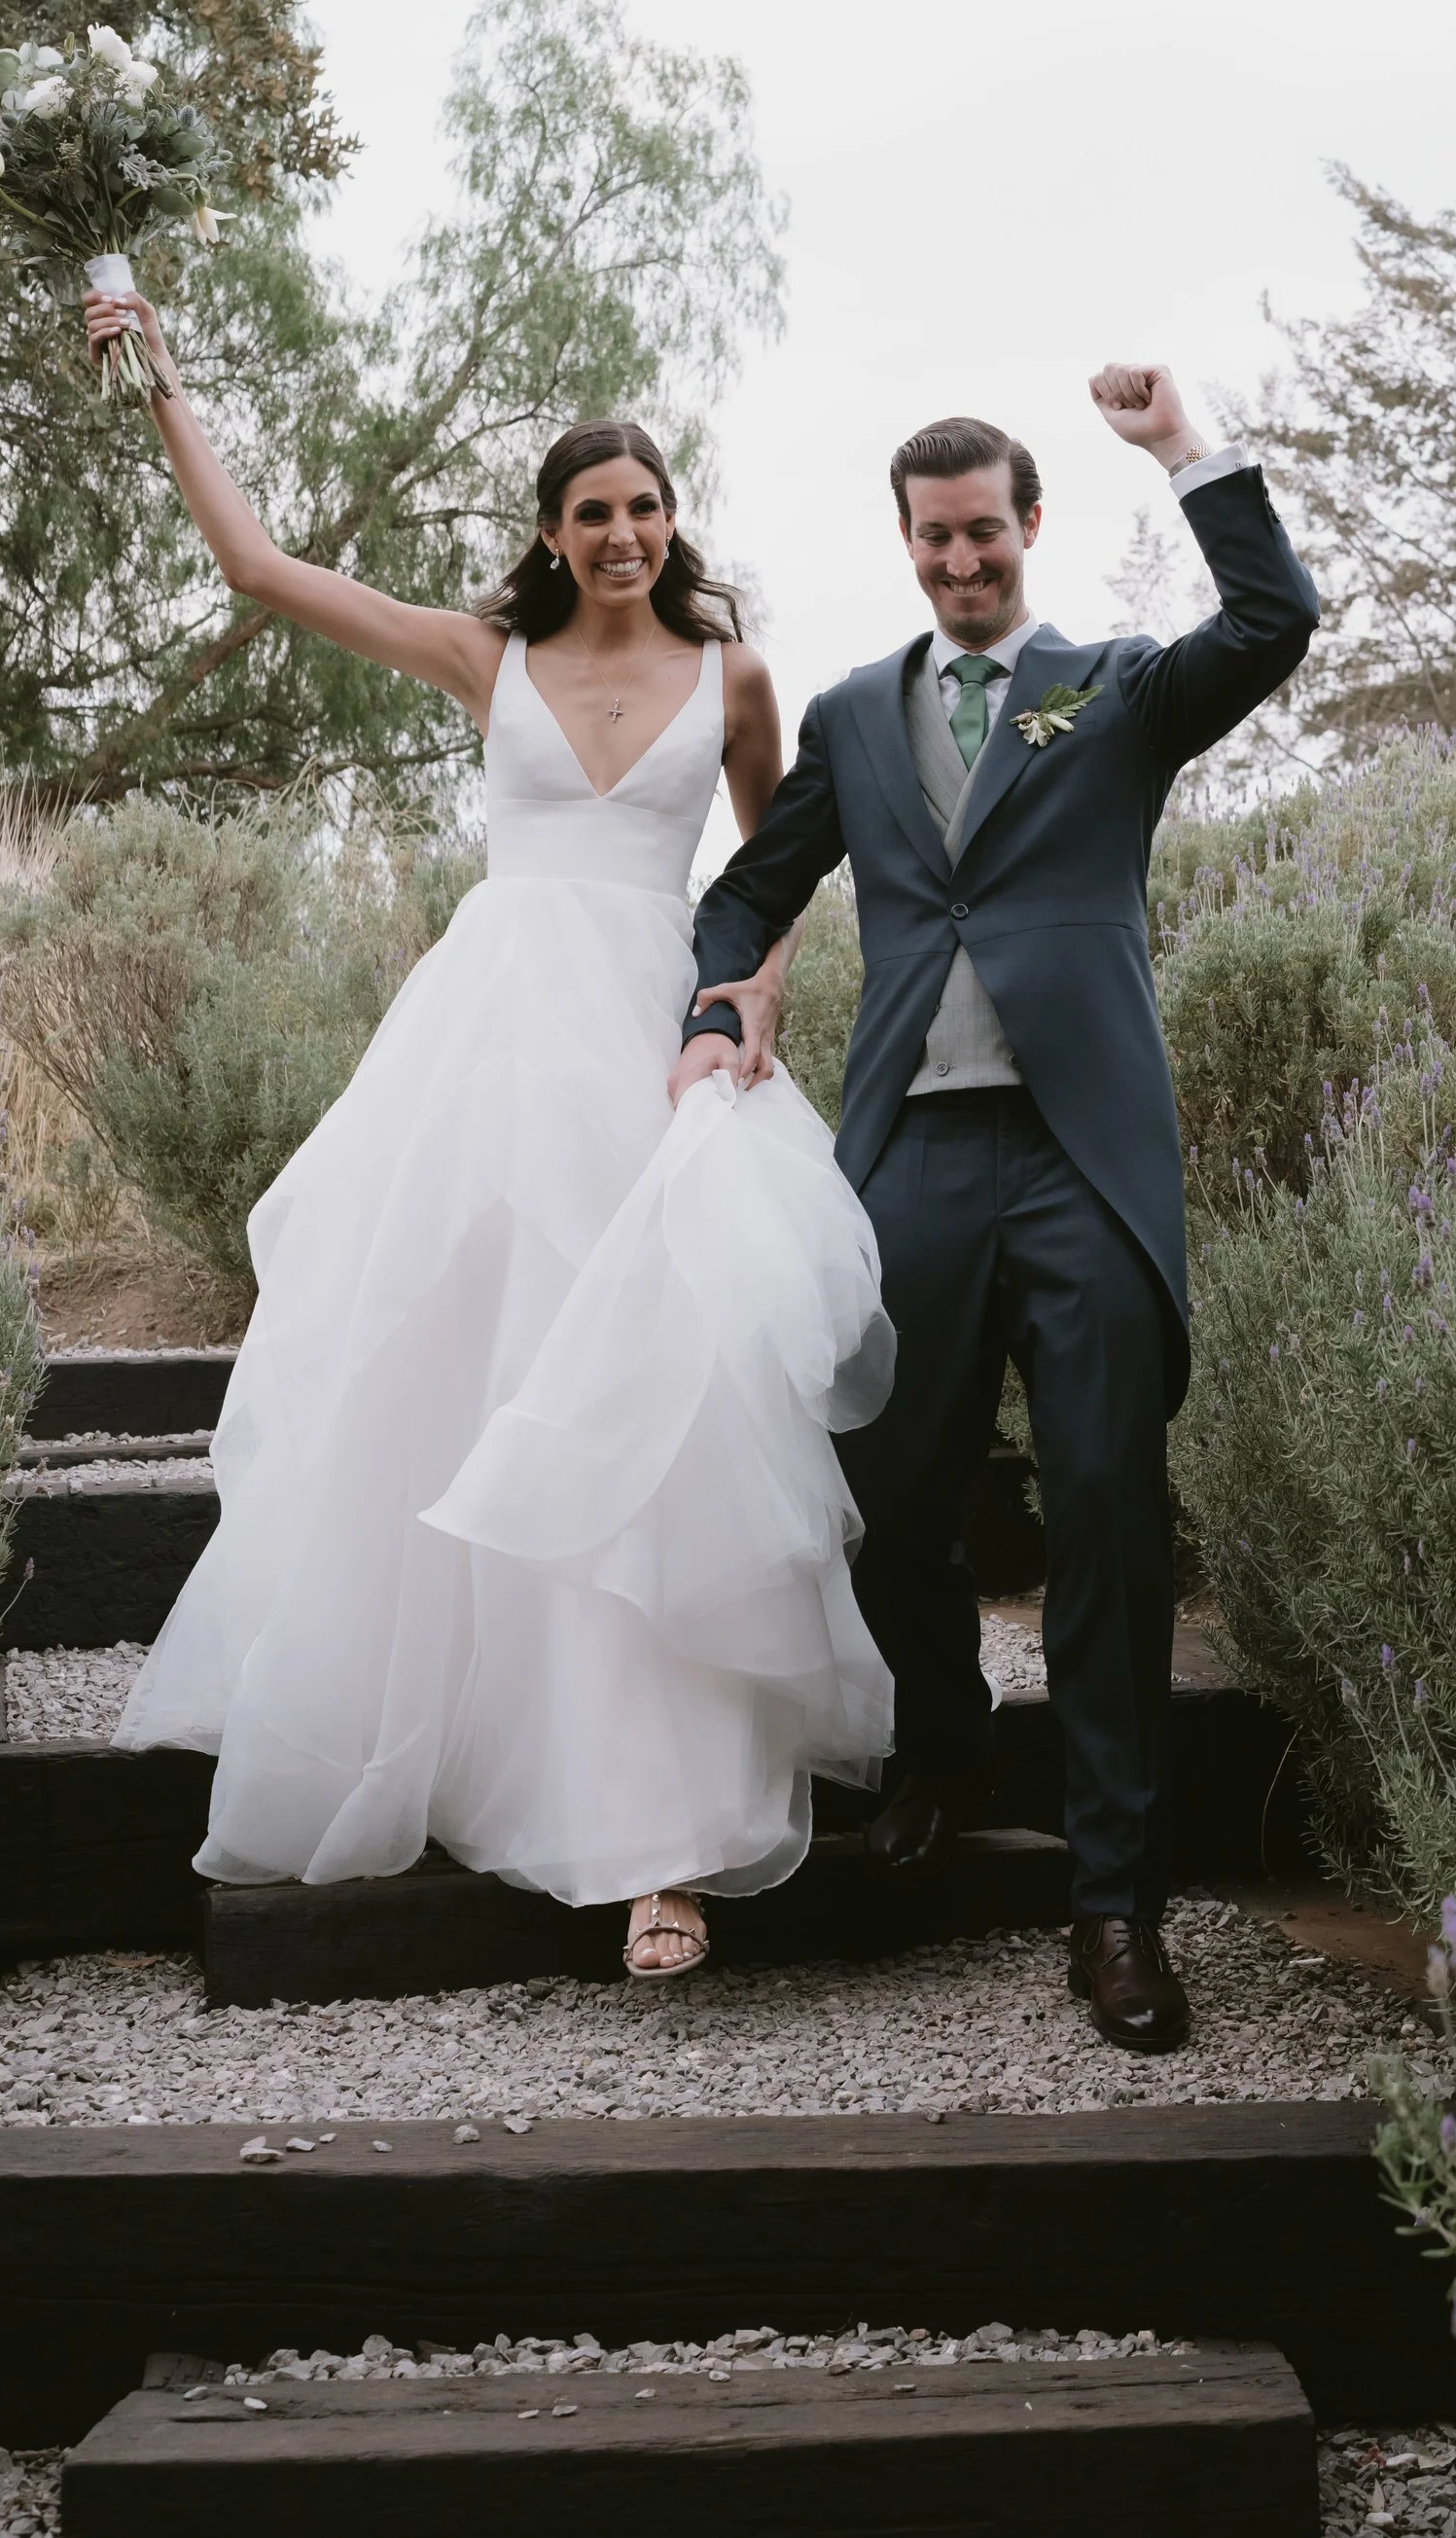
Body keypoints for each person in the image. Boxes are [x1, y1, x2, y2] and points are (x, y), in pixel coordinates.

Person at [88, 280, 894, 1981]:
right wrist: (164, 380)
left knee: (654, 1415)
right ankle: (467, 1755)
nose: (622, 531)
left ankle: (662, 1846)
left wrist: (752, 1000)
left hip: (646, 1051)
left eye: (646, 506)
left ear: (675, 522)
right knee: (456, 1381)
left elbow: (774, 872)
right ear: (551, 531)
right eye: (592, 510)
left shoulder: (736, 677)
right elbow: (262, 572)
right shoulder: (492, 657)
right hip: (484, 1047)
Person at [672, 364, 1318, 2050]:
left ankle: (1114, 1903)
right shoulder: (851, 718)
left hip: (1083, 1155)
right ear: (904, 545)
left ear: (1031, 527)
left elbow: (1271, 620)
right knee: (887, 1485)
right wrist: (714, 1012)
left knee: (1108, 1506)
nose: (962, 561)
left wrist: (1186, 444)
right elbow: (752, 885)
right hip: (916, 1160)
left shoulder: (1111, 689)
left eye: (985, 533)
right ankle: (942, 1758)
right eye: (933, 539)